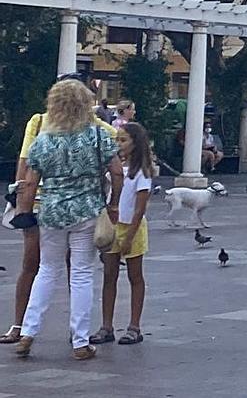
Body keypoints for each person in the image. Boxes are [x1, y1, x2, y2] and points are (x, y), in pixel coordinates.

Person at [12, 79, 124, 360]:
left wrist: (23, 211)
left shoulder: (44, 140)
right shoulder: (98, 136)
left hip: (51, 211)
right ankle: (80, 342)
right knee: (82, 273)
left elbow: (30, 180)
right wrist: (113, 205)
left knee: (46, 271)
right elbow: (117, 172)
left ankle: (28, 332)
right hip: (87, 211)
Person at [91, 122, 153, 347]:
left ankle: (134, 326)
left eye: (123, 140)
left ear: (135, 143)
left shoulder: (141, 171)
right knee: (109, 275)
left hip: (132, 227)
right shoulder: (114, 167)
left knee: (135, 276)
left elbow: (140, 207)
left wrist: (129, 236)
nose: (119, 144)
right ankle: (106, 326)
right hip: (112, 223)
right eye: (117, 139)